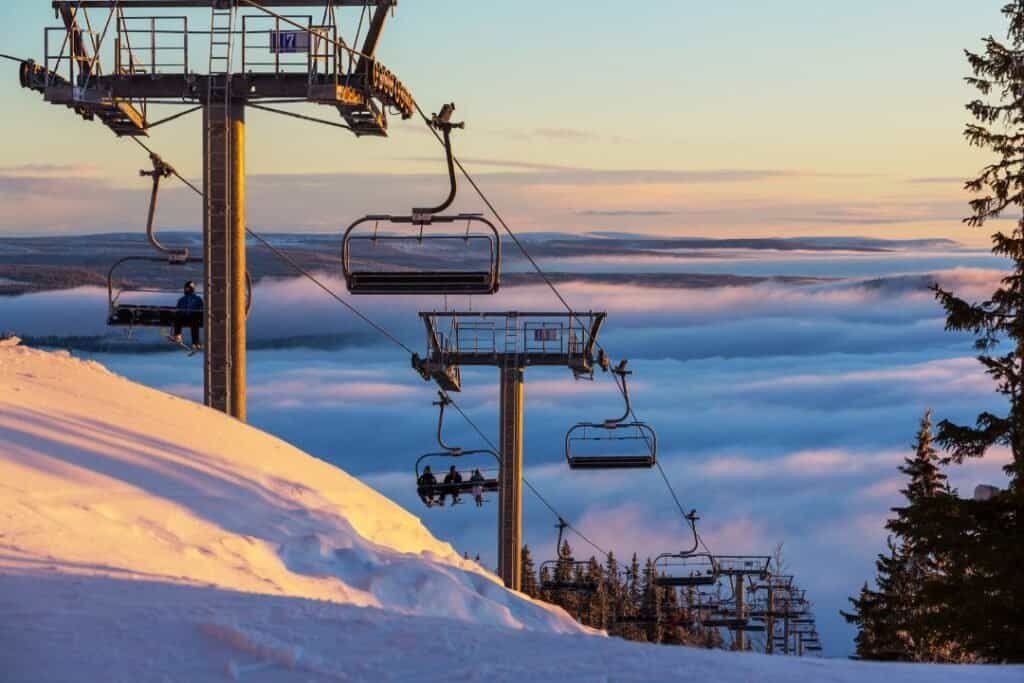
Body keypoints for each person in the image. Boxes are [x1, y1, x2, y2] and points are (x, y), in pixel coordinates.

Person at [172, 281, 203, 349]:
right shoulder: (182, 299)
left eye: (188, 289)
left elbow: (202, 309)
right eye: (186, 289)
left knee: (194, 323)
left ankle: (195, 342)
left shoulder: (197, 299)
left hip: (194, 318)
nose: (186, 290)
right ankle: (178, 336)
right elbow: (178, 310)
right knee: (178, 319)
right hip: (185, 318)